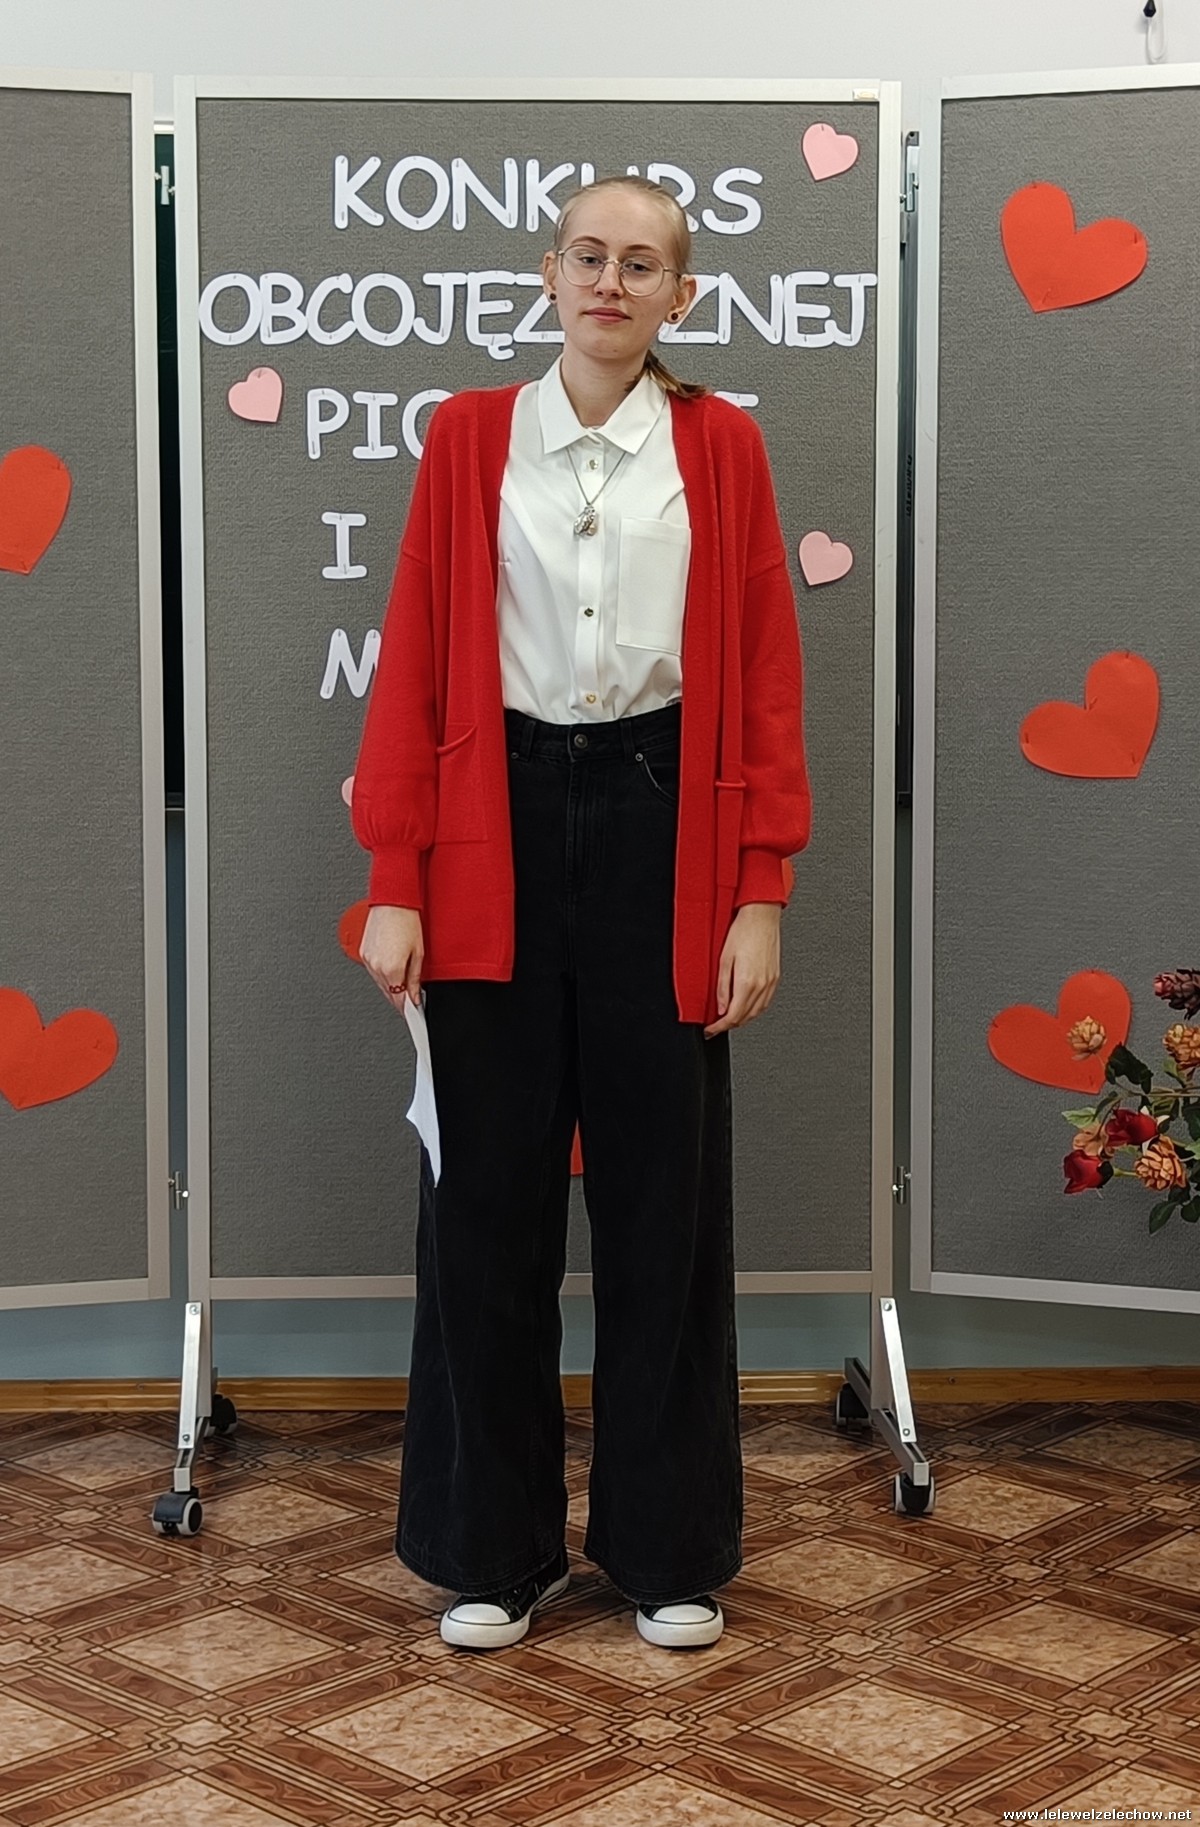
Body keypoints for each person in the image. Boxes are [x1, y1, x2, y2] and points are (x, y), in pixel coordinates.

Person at [351, 173, 811, 1653]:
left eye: (645, 263)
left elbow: (764, 677)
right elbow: (418, 655)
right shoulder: (468, 437)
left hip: (666, 826)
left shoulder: (722, 448)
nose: (613, 281)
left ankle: (667, 1550)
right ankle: (491, 1551)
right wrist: (395, 882)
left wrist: (759, 893)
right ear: (549, 273)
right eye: (590, 255)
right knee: (482, 1207)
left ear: (682, 294)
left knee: (664, 1206)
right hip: (493, 822)